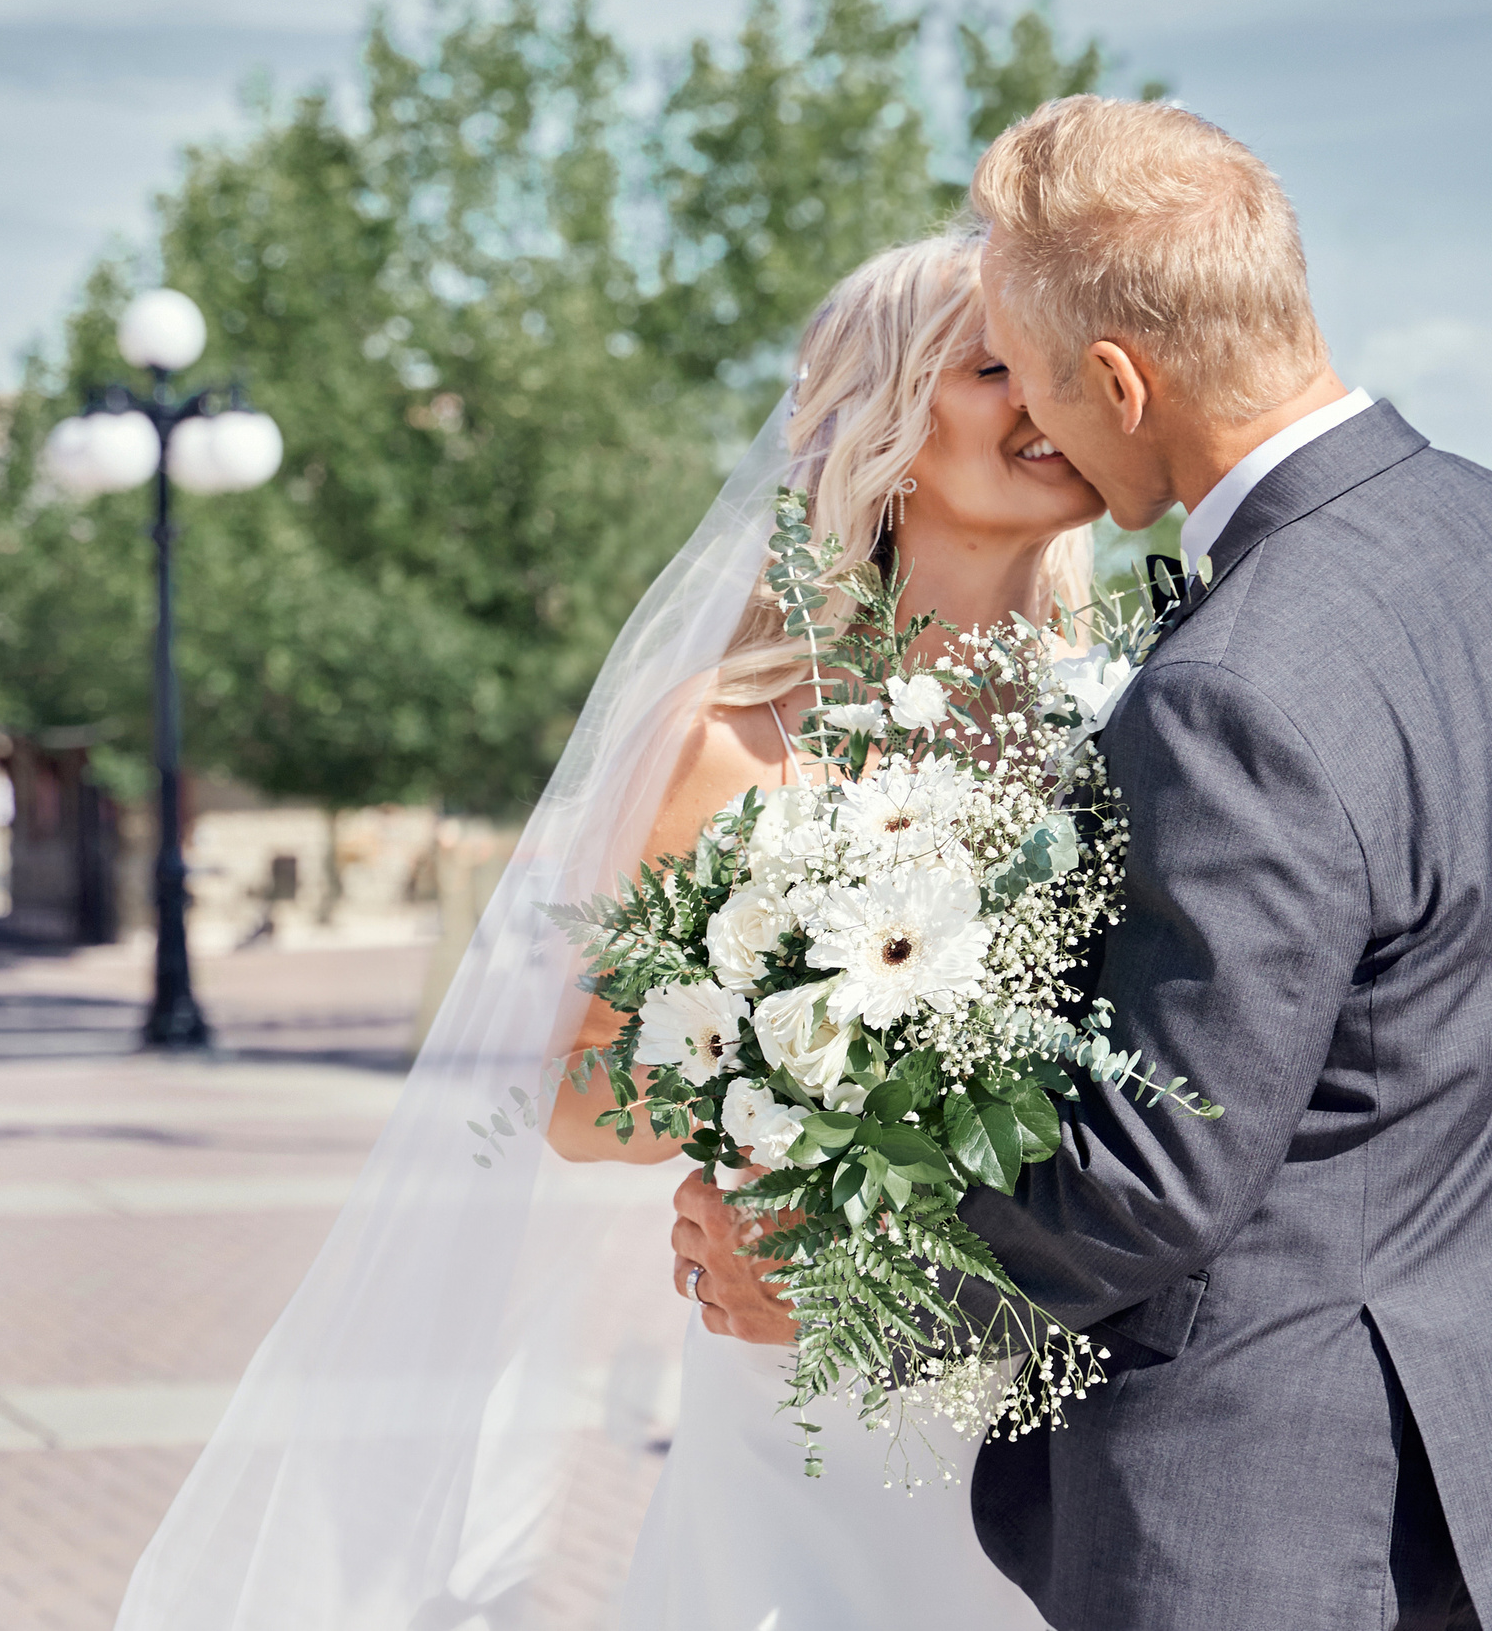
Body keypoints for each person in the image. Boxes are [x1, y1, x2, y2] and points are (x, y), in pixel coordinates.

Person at [675, 95, 1492, 1630]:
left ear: (1116, 375)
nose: (1040, 425)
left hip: (1270, 1516)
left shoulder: (1239, 677)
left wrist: (836, 1275)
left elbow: (1151, 1182)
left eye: (1031, 378)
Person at [114, 231, 1102, 1630]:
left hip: (1063, 1396)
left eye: (1058, 370)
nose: (1040, 404)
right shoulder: (726, 741)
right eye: (995, 367)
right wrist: (774, 1108)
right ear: (878, 419)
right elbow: (579, 1090)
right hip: (803, 1390)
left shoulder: (1130, 722)